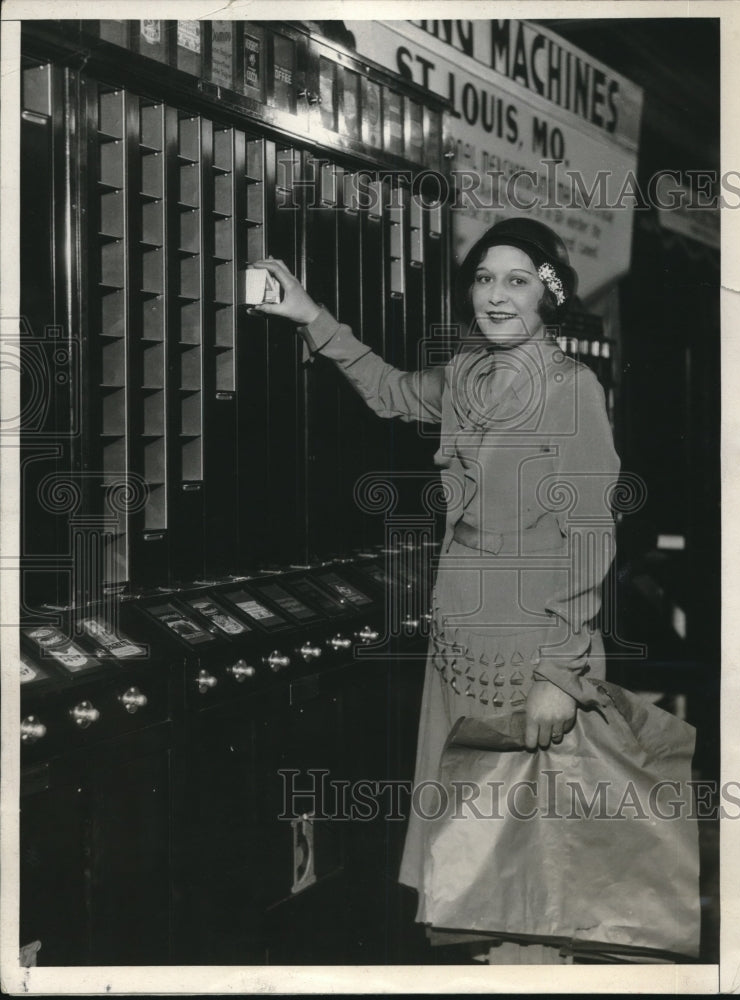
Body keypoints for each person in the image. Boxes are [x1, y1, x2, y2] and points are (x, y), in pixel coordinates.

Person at [251, 217, 621, 964]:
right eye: (483, 278)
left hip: (532, 649)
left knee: (526, 860)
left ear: (549, 293)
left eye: (516, 280)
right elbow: (390, 391)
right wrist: (310, 316)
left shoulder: (571, 388)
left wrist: (559, 671)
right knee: (470, 851)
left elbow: (590, 532)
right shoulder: (467, 376)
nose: (494, 295)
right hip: (459, 642)